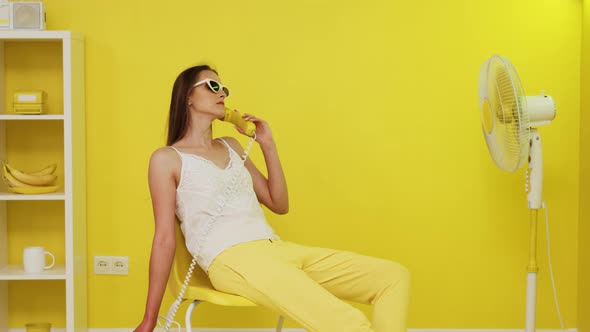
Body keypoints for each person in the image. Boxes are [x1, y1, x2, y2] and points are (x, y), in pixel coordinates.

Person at [134, 65, 411, 332]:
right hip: (232, 258)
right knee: (346, 322)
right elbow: (164, 239)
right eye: (213, 86)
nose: (223, 94)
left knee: (392, 276)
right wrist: (150, 318)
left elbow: (279, 204)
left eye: (225, 89)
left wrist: (267, 144)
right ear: (188, 97)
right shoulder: (166, 159)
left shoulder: (230, 145)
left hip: (276, 249)